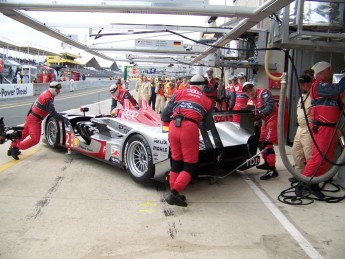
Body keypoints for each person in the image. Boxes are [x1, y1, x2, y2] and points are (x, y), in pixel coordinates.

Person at [161, 74, 213, 207]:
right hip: (189, 129)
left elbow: (165, 114)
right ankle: (174, 192)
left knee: (177, 162)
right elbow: (208, 126)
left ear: (190, 83)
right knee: (190, 165)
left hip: (173, 126)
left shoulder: (179, 92)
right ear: (203, 86)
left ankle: (175, 194)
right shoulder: (207, 100)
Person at [301, 61, 345, 180]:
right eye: (329, 69)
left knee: (327, 158)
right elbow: (339, 88)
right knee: (319, 158)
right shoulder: (319, 85)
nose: (331, 72)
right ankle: (303, 183)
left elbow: (338, 104)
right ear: (321, 72)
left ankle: (315, 182)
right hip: (321, 127)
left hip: (330, 128)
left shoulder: (327, 87)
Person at [8, 81, 67, 160]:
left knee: (23, 133)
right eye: (57, 89)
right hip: (35, 120)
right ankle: (16, 148)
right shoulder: (48, 98)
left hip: (31, 116)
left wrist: (30, 114)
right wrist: (62, 118)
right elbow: (52, 113)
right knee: (35, 139)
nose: (59, 91)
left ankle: (12, 146)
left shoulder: (46, 93)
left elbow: (34, 103)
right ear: (53, 89)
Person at [242, 82, 279, 180]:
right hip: (264, 121)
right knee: (260, 142)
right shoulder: (250, 100)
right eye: (247, 91)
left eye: (250, 89)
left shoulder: (264, 92)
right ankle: (267, 163)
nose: (249, 92)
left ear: (254, 87)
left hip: (273, 119)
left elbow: (270, 107)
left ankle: (272, 169)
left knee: (268, 143)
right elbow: (252, 115)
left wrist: (259, 115)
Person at [291, 75, 313, 176]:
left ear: (309, 83)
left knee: (309, 155)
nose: (301, 86)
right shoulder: (302, 97)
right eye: (300, 84)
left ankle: (311, 178)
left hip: (309, 130)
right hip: (300, 128)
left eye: (303, 84)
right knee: (296, 152)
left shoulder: (314, 96)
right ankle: (300, 175)